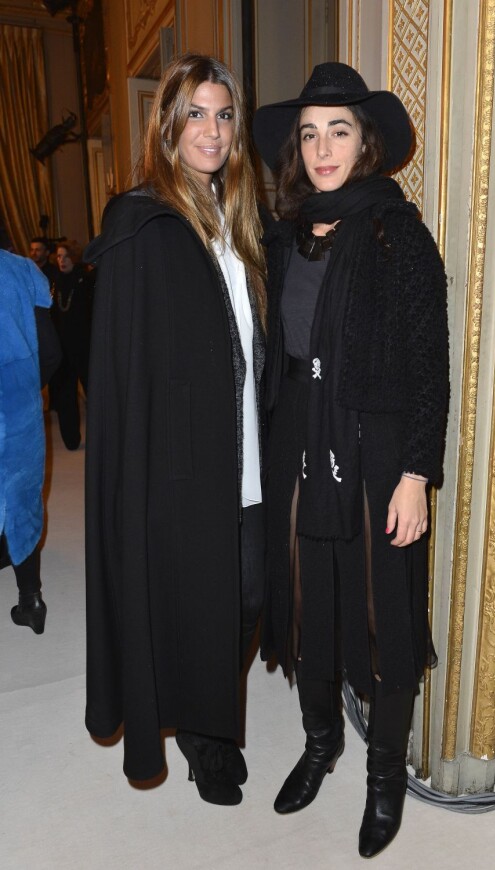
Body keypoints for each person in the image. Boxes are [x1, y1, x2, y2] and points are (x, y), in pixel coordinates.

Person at [253, 62, 448, 858]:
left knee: (385, 614)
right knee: (307, 601)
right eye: (309, 134)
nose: (323, 147)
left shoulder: (396, 232)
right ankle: (321, 740)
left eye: (339, 130)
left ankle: (383, 778)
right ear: (295, 150)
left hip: (375, 449)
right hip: (297, 439)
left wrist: (415, 475)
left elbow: (428, 362)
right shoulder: (285, 232)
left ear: (365, 142)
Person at [83, 53, 266, 806]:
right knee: (202, 602)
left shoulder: (241, 220)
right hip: (182, 465)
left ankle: (206, 704)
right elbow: (122, 369)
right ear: (168, 125)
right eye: (197, 113)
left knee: (251, 598)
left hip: (249, 448)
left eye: (224, 115)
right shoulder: (141, 221)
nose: (212, 130)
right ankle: (205, 735)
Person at [0, 248, 61, 634]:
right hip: (19, 411)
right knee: (22, 499)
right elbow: (52, 353)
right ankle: (31, 600)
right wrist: (24, 392)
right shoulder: (23, 269)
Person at [50, 239, 92, 450]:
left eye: (66, 256)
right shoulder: (54, 282)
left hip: (85, 349)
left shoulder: (85, 280)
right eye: (58, 256)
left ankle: (100, 436)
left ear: (74, 257)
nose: (62, 260)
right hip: (63, 351)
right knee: (66, 398)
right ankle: (71, 440)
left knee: (93, 395)